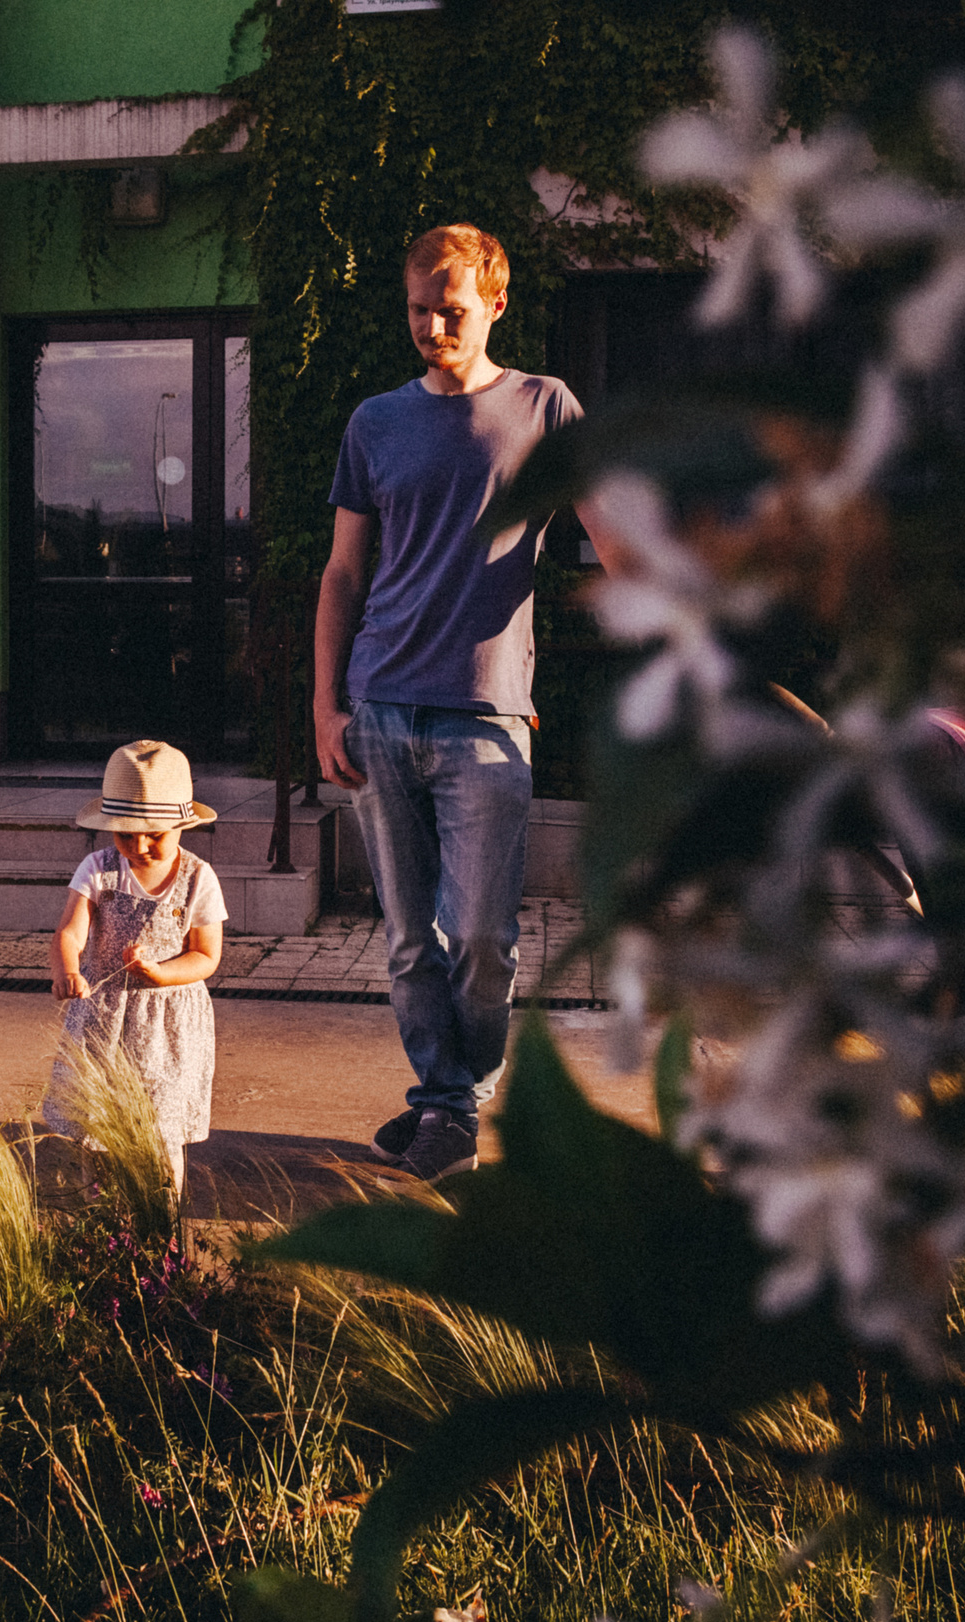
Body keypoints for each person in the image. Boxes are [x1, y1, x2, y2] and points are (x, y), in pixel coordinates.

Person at [314, 223, 625, 1181]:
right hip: (380, 704)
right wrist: (325, 705)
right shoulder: (375, 423)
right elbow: (341, 572)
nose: (432, 325)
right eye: (418, 309)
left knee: (482, 936)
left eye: (451, 309)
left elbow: (611, 535)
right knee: (410, 940)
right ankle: (444, 1105)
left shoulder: (546, 407)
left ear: (494, 302)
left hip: (487, 714)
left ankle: (454, 1096)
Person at [42, 740, 227, 1199]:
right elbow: (69, 931)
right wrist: (67, 968)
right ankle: (100, 1214)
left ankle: (159, 1218)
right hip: (103, 1020)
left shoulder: (198, 878)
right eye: (125, 835)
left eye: (155, 835)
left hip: (168, 1029)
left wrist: (163, 973)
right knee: (99, 1121)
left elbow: (206, 955)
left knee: (161, 1128)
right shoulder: (99, 870)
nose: (139, 847)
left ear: (182, 826)